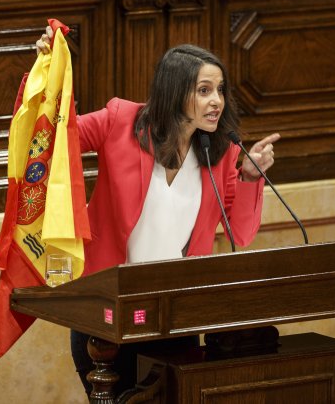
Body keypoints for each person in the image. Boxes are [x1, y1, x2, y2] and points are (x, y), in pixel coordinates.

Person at [36, 26, 280, 397]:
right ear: (173, 90)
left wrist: (249, 177)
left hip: (173, 319)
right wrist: (48, 71)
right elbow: (55, 136)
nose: (217, 101)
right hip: (107, 316)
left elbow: (239, 234)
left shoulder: (221, 153)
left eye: (220, 91)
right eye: (204, 90)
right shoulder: (120, 121)